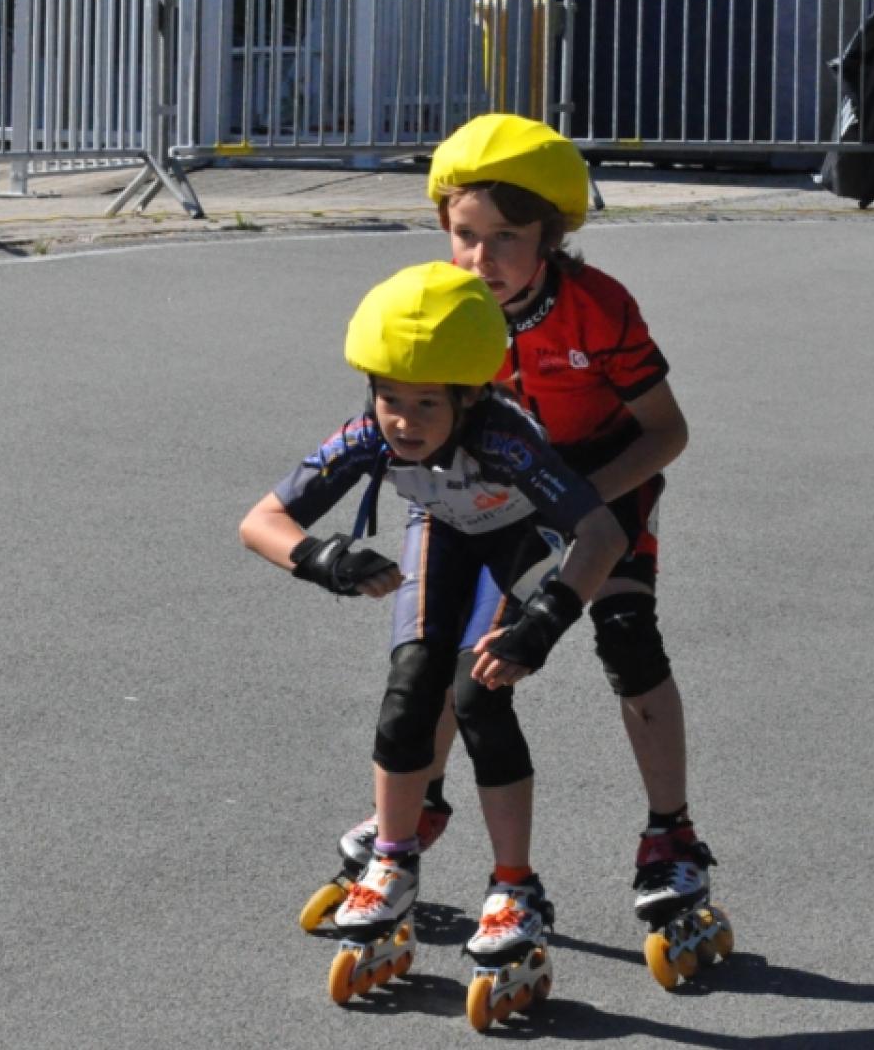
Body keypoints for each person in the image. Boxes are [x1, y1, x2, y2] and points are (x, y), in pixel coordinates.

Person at [332, 114, 717, 939]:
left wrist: (573, 501)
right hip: (499, 492)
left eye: (507, 237)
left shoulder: (598, 308)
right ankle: (422, 805)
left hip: (606, 478)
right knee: (454, 655)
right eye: (465, 235)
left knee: (628, 638)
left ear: (551, 235)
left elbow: (666, 433)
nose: (482, 259)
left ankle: (671, 835)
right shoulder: (444, 306)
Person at [241, 262, 626, 967]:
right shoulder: (369, 432)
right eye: (389, 398)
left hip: (518, 537)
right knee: (410, 684)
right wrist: (326, 559)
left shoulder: (506, 439)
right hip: (443, 530)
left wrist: (546, 622)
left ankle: (516, 887)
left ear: (469, 396)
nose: (403, 422)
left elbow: (602, 534)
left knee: (479, 694)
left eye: (425, 404)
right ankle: (393, 859)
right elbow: (260, 522)